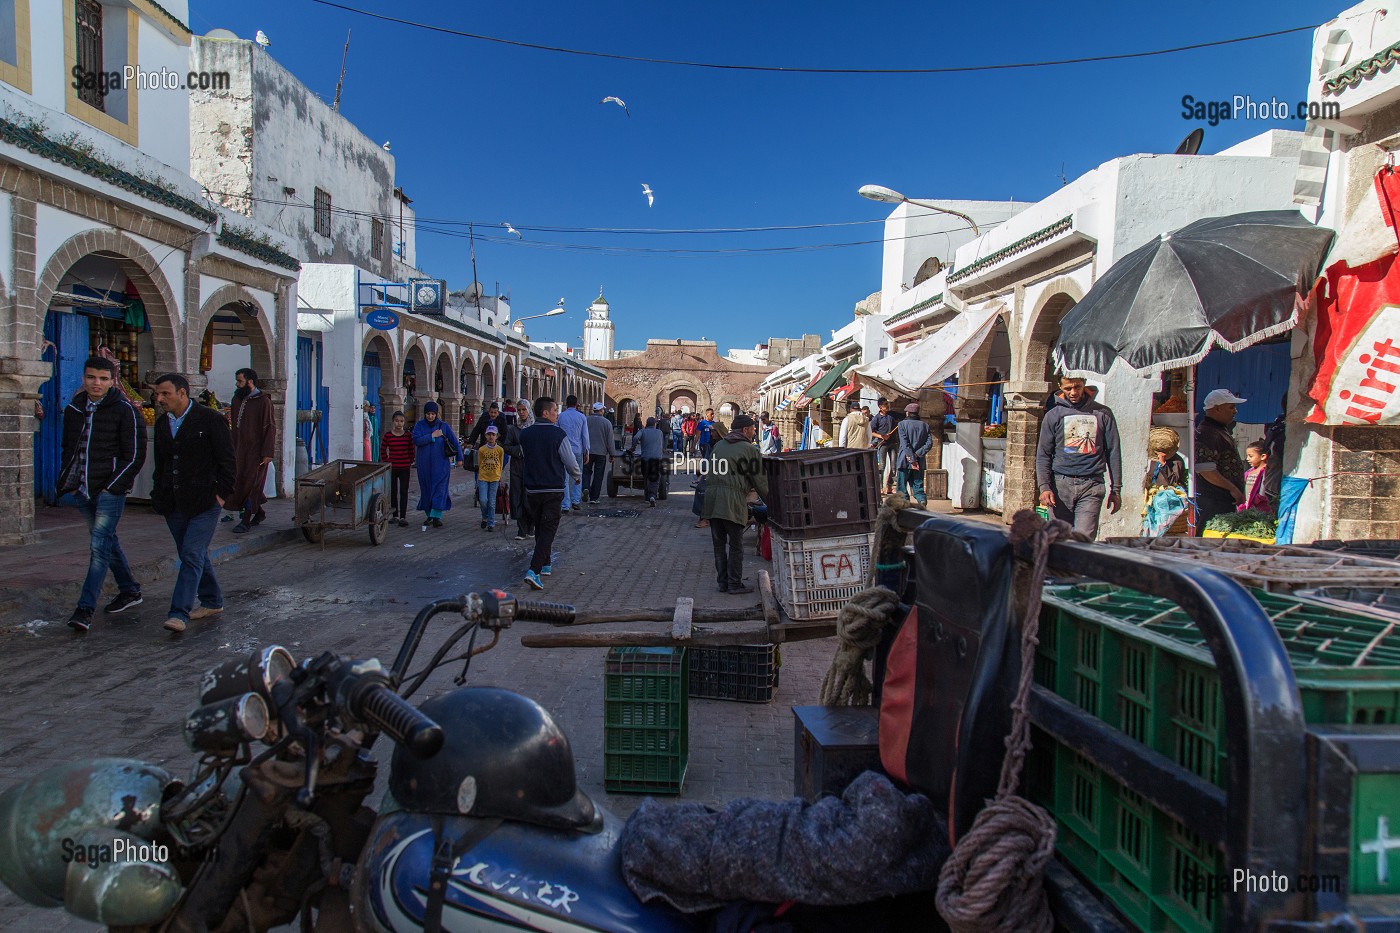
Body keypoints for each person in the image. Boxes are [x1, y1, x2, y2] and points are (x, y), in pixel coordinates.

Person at [60, 356, 148, 632]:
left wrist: (114, 486)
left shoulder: (125, 410)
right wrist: (70, 481)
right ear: (84, 378)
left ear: (112, 381)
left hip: (110, 489)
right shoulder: (75, 408)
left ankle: (84, 609)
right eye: (91, 377)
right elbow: (69, 448)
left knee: (99, 548)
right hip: (83, 488)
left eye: (102, 378)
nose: (96, 383)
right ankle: (130, 590)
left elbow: (134, 455)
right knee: (107, 542)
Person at [150, 373, 235, 634]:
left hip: (204, 501)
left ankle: (179, 612)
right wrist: (158, 492)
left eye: (166, 393)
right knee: (193, 553)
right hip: (173, 501)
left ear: (183, 393)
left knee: (191, 553)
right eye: (158, 394)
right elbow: (161, 461)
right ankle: (212, 600)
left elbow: (227, 460)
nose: (160, 398)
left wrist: (221, 494)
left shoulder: (210, 420)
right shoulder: (163, 423)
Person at [1036, 376, 1124, 540]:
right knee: (1059, 539)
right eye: (1068, 388)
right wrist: (1045, 487)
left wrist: (1116, 489)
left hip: (1091, 485)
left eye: (1077, 387)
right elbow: (1043, 455)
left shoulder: (1102, 414)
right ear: (1060, 387)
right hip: (1060, 485)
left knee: (1083, 539)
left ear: (1084, 385)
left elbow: (1113, 451)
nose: (1073, 392)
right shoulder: (1053, 416)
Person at [520, 396, 582, 591]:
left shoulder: (525, 434)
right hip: (553, 488)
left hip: (532, 488)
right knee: (548, 530)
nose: (557, 414)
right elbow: (569, 460)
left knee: (540, 526)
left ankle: (545, 564)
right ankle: (533, 570)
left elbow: (525, 456)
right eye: (555, 411)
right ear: (545, 413)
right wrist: (577, 475)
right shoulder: (558, 435)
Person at [702, 415, 768, 594]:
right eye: (753, 429)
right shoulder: (749, 449)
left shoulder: (719, 446)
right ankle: (734, 584)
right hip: (731, 501)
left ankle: (723, 583)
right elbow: (760, 481)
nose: (754, 432)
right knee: (736, 546)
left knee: (719, 544)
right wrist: (771, 502)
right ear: (745, 430)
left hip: (712, 499)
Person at [1194, 388, 1249, 533]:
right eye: (1231, 407)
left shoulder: (1219, 430)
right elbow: (1206, 470)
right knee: (1210, 537)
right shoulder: (1208, 433)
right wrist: (1233, 489)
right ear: (1217, 409)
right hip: (1213, 501)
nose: (1235, 411)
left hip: (1221, 500)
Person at [228, 368, 275, 534]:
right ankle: (259, 512)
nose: (237, 384)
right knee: (240, 481)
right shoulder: (237, 400)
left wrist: (267, 452)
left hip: (257, 451)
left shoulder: (263, 401)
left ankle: (246, 519)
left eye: (240, 381)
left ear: (250, 382)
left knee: (252, 482)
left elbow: (269, 426)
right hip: (239, 449)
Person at [413, 400, 460, 529]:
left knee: (440, 489)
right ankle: (429, 515)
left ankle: (436, 516)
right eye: (428, 413)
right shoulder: (419, 426)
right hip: (424, 465)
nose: (430, 416)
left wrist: (460, 458)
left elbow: (454, 442)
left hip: (441, 466)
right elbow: (416, 440)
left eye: (433, 414)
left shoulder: (443, 426)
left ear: (436, 414)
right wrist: (431, 436)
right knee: (427, 489)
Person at [894, 402, 933, 507]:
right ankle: (922, 500)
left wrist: (911, 458)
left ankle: (905, 507)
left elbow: (904, 443)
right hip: (919, 460)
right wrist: (917, 454)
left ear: (907, 413)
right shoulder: (925, 425)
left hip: (904, 460)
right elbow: (929, 443)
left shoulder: (902, 424)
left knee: (902, 487)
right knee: (918, 485)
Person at [556, 395, 590, 511]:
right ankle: (575, 500)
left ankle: (565, 504)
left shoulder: (560, 417)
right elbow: (585, 436)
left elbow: (557, 433)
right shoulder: (582, 417)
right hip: (577, 450)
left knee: (564, 477)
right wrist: (587, 451)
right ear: (577, 404)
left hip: (563, 450)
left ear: (566, 404)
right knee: (577, 475)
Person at [381, 411, 415, 526]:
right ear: (393, 422)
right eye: (396, 421)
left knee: (404, 491)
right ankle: (395, 515)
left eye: (401, 421)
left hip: (405, 467)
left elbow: (411, 449)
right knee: (393, 491)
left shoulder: (407, 435)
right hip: (393, 467)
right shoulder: (388, 435)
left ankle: (403, 517)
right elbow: (383, 449)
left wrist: (410, 461)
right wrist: (386, 461)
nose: (399, 423)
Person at [630, 416, 667, 506]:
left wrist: (633, 447)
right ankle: (652, 496)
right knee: (654, 479)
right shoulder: (659, 432)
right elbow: (661, 444)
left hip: (645, 458)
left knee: (646, 477)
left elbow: (635, 438)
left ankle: (647, 497)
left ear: (646, 424)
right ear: (655, 424)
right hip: (656, 458)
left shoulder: (642, 431)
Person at [584, 401, 614, 505]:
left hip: (588, 452)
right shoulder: (606, 423)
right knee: (598, 475)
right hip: (601, 452)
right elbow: (610, 440)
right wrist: (612, 454)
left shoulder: (586, 420)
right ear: (600, 411)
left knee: (586, 471)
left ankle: (585, 487)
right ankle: (594, 497)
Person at [476, 425, 505, 531]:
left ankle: (491, 523)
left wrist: (499, 474)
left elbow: (500, 463)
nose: (491, 437)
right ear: (485, 436)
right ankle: (485, 516)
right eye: (489, 434)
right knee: (483, 500)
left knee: (492, 502)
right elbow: (479, 463)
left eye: (493, 434)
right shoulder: (482, 449)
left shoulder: (500, 450)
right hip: (483, 476)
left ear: (496, 436)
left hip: (495, 477)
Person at [869, 397, 898, 494]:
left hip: (893, 443)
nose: (887, 406)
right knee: (882, 466)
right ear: (880, 406)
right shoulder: (876, 418)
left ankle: (889, 486)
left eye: (887, 403)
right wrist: (882, 436)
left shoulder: (891, 415)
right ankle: (880, 488)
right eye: (885, 404)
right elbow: (871, 432)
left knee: (894, 467)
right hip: (883, 444)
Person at [1241, 440, 1277, 512]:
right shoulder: (1249, 472)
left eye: (1251, 456)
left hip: (1262, 508)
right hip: (1249, 507)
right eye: (1247, 456)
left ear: (1263, 456)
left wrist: (1258, 499)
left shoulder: (1266, 472)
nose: (1247, 459)